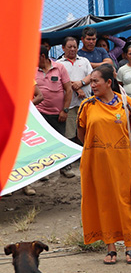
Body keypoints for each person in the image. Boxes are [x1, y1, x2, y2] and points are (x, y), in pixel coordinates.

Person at [77, 64, 131, 265]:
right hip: (96, 163)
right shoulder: (87, 105)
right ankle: (110, 247)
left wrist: (119, 147)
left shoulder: (126, 103)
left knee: (126, 201)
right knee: (103, 202)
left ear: (108, 82)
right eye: (91, 81)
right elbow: (82, 133)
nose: (92, 85)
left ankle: (129, 246)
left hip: (123, 162)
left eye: (96, 81)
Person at [36, 46, 75, 178]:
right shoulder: (31, 70)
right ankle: (43, 171)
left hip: (58, 113)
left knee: (61, 140)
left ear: (42, 56)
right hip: (39, 113)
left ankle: (65, 167)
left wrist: (65, 110)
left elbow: (68, 90)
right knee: (41, 143)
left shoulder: (59, 68)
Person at [56, 37, 92, 144]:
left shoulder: (84, 61)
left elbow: (91, 75)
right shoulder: (59, 64)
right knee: (69, 136)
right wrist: (76, 88)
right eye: (69, 47)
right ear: (63, 48)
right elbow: (60, 81)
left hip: (85, 104)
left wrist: (81, 83)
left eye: (75, 47)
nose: (72, 49)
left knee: (86, 134)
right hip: (69, 105)